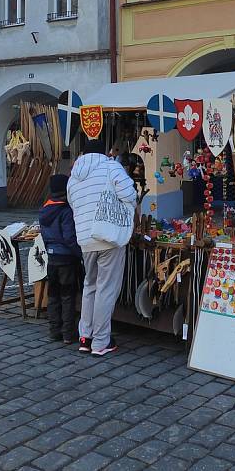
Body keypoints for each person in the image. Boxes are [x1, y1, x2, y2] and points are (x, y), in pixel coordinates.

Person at [67, 139, 137, 355]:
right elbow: (129, 194)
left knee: (90, 286)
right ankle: (100, 342)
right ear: (104, 152)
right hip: (108, 236)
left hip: (85, 239)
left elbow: (72, 204)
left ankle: (85, 337)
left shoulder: (74, 176)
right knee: (106, 288)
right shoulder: (111, 166)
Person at [38, 174, 83, 344]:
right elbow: (69, 237)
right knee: (67, 296)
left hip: (52, 258)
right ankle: (67, 334)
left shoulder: (45, 210)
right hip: (66, 259)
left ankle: (54, 331)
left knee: (53, 296)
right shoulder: (65, 211)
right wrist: (79, 253)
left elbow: (44, 235)